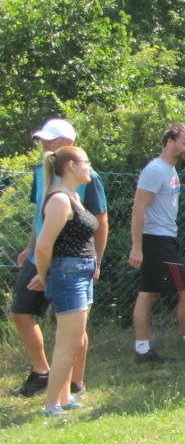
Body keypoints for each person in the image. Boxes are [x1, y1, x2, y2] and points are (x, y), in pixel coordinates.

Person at [8, 119, 108, 398]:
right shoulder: (41, 171)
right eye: (42, 138)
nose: (43, 143)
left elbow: (99, 221)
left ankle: (75, 384)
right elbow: (41, 213)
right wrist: (32, 246)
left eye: (49, 139)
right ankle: (42, 373)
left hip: (71, 260)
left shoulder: (89, 177)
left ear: (67, 143)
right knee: (21, 313)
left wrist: (96, 262)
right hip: (44, 256)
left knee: (73, 325)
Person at [129, 123, 185, 364]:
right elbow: (138, 209)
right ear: (170, 141)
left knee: (147, 294)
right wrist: (137, 246)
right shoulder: (155, 170)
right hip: (157, 241)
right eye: (184, 143)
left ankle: (142, 351)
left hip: (163, 239)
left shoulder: (169, 170)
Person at [29, 146, 99, 416]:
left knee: (74, 339)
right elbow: (43, 247)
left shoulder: (73, 197)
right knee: (68, 342)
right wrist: (45, 277)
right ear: (71, 165)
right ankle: (51, 405)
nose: (89, 167)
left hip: (80, 272)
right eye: (86, 162)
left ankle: (65, 397)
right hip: (68, 273)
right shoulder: (60, 200)